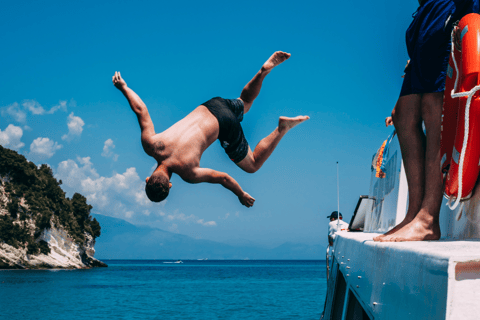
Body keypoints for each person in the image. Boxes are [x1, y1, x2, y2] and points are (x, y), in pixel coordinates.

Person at [112, 51, 309, 208]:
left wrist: (241, 194)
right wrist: (124, 87)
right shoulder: (151, 145)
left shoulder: (188, 173)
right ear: (147, 179)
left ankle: (282, 128)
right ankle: (262, 72)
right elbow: (141, 110)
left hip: (223, 125)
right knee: (245, 103)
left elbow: (223, 178)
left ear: (170, 186)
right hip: (211, 105)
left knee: (253, 164)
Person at [375, 0, 479, 242]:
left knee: (434, 109)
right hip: (425, 15)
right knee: (404, 114)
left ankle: (428, 218)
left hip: (448, 8)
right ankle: (413, 213)